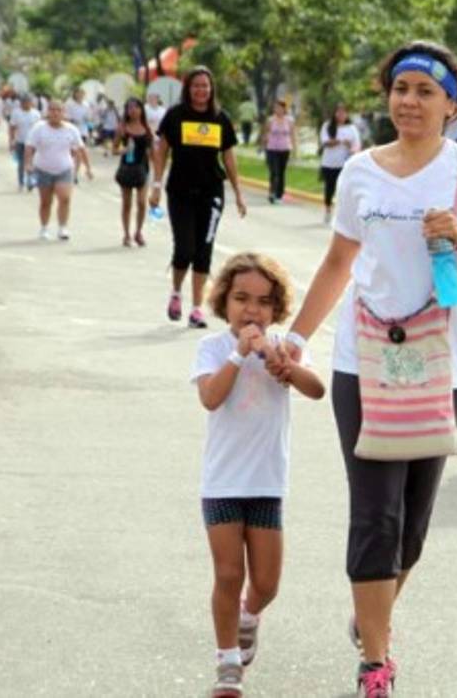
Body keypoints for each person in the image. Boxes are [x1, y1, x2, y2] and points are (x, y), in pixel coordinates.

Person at [280, 41, 457, 697]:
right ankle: (377, 662)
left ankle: (372, 614)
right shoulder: (360, 172)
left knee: (412, 527)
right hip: (364, 360)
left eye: (425, 90)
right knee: (376, 514)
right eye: (400, 88)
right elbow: (338, 263)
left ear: (451, 104)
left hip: (441, 364)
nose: (409, 101)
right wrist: (296, 338)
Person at [192, 252, 324, 698]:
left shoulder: (284, 346)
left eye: (264, 302)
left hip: (267, 483)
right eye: (242, 299)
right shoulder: (212, 348)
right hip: (223, 484)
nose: (252, 311)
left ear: (276, 308)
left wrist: (288, 367)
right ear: (224, 301)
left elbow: (317, 389)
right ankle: (227, 662)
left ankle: (249, 617)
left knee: (265, 584)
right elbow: (211, 398)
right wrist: (238, 352)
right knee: (228, 574)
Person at [150, 67, 248, 329]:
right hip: (181, 191)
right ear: (188, 89)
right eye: (196, 86)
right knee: (185, 248)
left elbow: (228, 156)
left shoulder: (219, 118)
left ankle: (196, 309)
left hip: (211, 192)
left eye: (205, 86)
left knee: (203, 250)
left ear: (211, 88)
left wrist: (238, 191)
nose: (201, 91)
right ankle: (175, 292)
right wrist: (156, 185)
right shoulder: (176, 116)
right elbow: (161, 152)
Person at [24, 100, 89, 241]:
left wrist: (88, 168)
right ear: (47, 112)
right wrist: (28, 163)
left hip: (64, 169)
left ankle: (62, 227)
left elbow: (81, 148)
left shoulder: (71, 129)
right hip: (43, 169)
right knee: (45, 201)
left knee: (65, 199)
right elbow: (29, 147)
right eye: (52, 110)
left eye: (58, 110)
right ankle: (44, 227)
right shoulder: (39, 128)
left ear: (63, 113)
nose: (55, 113)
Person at [113, 97, 154, 247]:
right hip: (127, 169)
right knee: (127, 203)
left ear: (141, 109)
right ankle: (126, 234)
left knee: (142, 203)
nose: (133, 110)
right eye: (130, 108)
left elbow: (152, 151)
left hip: (143, 169)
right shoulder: (122, 128)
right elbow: (114, 149)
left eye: (136, 107)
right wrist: (123, 150)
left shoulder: (147, 128)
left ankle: (138, 231)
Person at [318, 103, 362, 224]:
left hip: (345, 164)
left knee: (344, 190)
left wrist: (349, 146)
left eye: (343, 112)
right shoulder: (327, 126)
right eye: (338, 112)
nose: (341, 114)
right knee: (329, 188)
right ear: (334, 113)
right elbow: (325, 142)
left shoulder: (351, 128)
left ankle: (342, 216)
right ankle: (327, 210)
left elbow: (357, 146)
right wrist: (336, 142)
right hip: (329, 163)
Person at [261, 100, 297, 204]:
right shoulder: (270, 120)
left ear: (284, 109)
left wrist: (294, 150)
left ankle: (279, 194)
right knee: (274, 171)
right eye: (276, 107)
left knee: (281, 172)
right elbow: (266, 134)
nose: (278, 110)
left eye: (280, 108)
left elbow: (293, 135)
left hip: (285, 149)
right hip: (272, 149)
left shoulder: (289, 121)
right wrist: (263, 146)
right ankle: (272, 192)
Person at [8, 94, 42, 192]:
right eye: (24, 102)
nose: (26, 104)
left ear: (31, 103)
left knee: (32, 163)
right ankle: (21, 182)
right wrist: (11, 141)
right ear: (21, 103)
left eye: (28, 102)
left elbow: (39, 129)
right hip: (20, 141)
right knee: (22, 163)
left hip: (33, 143)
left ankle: (30, 181)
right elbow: (12, 128)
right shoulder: (16, 113)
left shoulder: (36, 114)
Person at [65, 88, 95, 181]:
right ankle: (68, 170)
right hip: (71, 130)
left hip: (82, 131)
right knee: (71, 153)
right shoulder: (69, 104)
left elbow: (89, 117)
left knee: (80, 152)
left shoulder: (86, 105)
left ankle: (75, 174)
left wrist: (88, 119)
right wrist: (72, 120)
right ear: (75, 94)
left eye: (82, 94)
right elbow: (66, 117)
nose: (80, 96)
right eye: (78, 94)